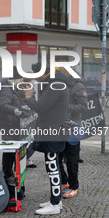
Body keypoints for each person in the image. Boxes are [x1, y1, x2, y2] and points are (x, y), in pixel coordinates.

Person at [24, 62, 69, 215]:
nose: (36, 78)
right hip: (52, 131)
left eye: (37, 75)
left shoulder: (56, 85)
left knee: (52, 167)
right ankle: (55, 200)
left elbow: (40, 107)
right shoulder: (56, 83)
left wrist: (28, 97)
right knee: (53, 166)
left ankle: (55, 204)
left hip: (52, 133)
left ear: (43, 73)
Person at [59, 67, 88, 199]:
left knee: (71, 159)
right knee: (58, 156)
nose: (59, 71)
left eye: (62, 70)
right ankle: (64, 181)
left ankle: (73, 187)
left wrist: (64, 107)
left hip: (73, 128)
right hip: (60, 127)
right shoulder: (62, 84)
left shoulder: (78, 86)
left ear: (69, 72)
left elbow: (83, 107)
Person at [0, 66, 23, 185]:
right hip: (7, 125)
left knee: (11, 149)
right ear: (15, 79)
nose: (21, 81)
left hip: (11, 124)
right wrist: (15, 110)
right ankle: (7, 173)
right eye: (20, 78)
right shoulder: (7, 89)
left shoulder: (13, 88)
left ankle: (9, 172)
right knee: (9, 150)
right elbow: (3, 105)